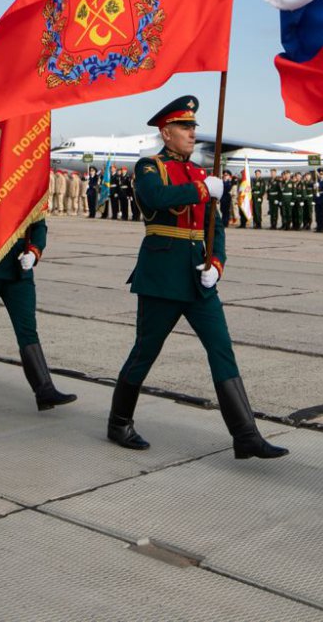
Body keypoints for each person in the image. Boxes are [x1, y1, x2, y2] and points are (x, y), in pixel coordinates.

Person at [107, 96, 287, 460]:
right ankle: (118, 422)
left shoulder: (199, 174)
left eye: (193, 127)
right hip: (162, 276)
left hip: (199, 279)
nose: (193, 133)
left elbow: (214, 228)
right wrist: (205, 190)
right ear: (166, 132)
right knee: (145, 352)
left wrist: (216, 264)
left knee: (221, 349)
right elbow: (155, 197)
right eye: (185, 127)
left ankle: (245, 435)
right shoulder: (149, 167)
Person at [0, 125, 77, 408]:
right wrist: (16, 174)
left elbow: (39, 225)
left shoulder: (29, 182)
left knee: (27, 329)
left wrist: (34, 252)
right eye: (3, 145)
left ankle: (44, 389)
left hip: (19, 266)